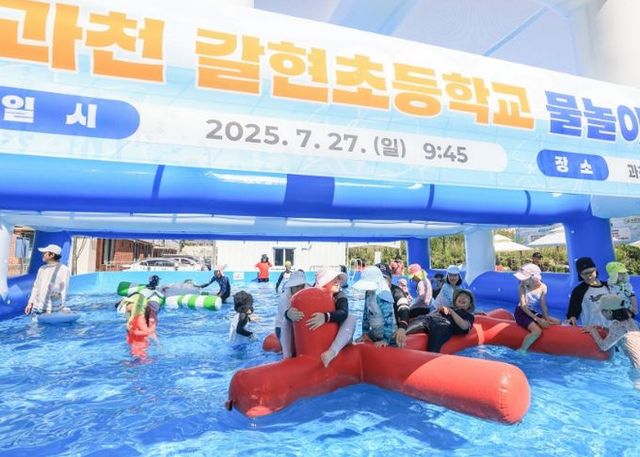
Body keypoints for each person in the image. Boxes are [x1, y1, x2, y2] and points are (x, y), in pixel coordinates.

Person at [287, 269, 355, 367]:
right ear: (324, 282)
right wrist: (288, 314)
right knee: (286, 320)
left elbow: (343, 313)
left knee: (350, 318)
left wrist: (325, 317)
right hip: (315, 342)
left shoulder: (340, 295)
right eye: (333, 279)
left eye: (338, 279)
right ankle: (287, 355)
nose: (337, 282)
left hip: (339, 338)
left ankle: (332, 352)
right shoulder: (311, 295)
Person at [583, 294, 640, 389]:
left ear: (609, 312)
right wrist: (604, 328)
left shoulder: (617, 325)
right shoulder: (630, 321)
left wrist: (593, 331)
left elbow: (604, 346)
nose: (602, 314)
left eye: (602, 311)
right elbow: (622, 334)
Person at [405, 289, 476, 353]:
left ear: (470, 304)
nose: (462, 298)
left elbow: (464, 326)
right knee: (404, 331)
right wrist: (441, 309)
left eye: (466, 297)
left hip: (442, 325)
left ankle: (432, 358)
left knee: (433, 350)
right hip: (427, 318)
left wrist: (451, 311)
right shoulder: (448, 307)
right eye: (460, 296)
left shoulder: (468, 315)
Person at [513, 263, 560, 353]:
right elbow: (523, 306)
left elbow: (543, 305)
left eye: (524, 278)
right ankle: (522, 350)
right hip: (521, 313)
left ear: (534, 277)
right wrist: (538, 320)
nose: (521, 280)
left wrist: (546, 319)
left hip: (531, 312)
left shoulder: (543, 287)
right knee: (537, 331)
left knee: (557, 322)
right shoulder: (522, 287)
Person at [354, 266, 397, 348]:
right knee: (357, 342)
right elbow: (365, 315)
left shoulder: (383, 294)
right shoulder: (368, 292)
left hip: (389, 336)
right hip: (375, 333)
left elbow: (389, 319)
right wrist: (365, 333)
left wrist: (385, 340)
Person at [24, 244, 71, 315]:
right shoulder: (42, 268)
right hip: (36, 308)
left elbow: (63, 290)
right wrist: (30, 303)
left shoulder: (63, 269)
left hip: (51, 309)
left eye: (45, 253)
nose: (42, 255)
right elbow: (36, 287)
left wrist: (59, 308)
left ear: (52, 255)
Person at [566, 257, 609, 327]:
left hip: (614, 328)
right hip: (593, 330)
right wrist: (572, 318)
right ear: (580, 274)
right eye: (585, 273)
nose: (589, 276)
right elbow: (572, 313)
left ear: (596, 269)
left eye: (591, 272)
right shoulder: (578, 290)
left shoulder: (608, 286)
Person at [377, 263, 410, 348]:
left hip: (394, 331)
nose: (381, 281)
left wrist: (402, 328)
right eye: (377, 278)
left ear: (391, 278)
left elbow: (404, 309)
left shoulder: (397, 292)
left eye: (384, 278)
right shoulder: (371, 292)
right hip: (378, 330)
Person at [276, 270, 307, 358]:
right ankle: (285, 356)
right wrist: (288, 314)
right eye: (297, 287)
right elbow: (285, 317)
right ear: (291, 286)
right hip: (281, 326)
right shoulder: (284, 297)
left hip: (297, 325)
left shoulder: (307, 292)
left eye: (302, 286)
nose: (299, 289)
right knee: (290, 354)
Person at [123, 292, 157, 357]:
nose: (126, 306)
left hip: (139, 343)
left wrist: (132, 331)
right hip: (136, 341)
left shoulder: (139, 318)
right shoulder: (133, 315)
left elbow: (146, 332)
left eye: (128, 303)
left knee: (140, 356)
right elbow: (127, 315)